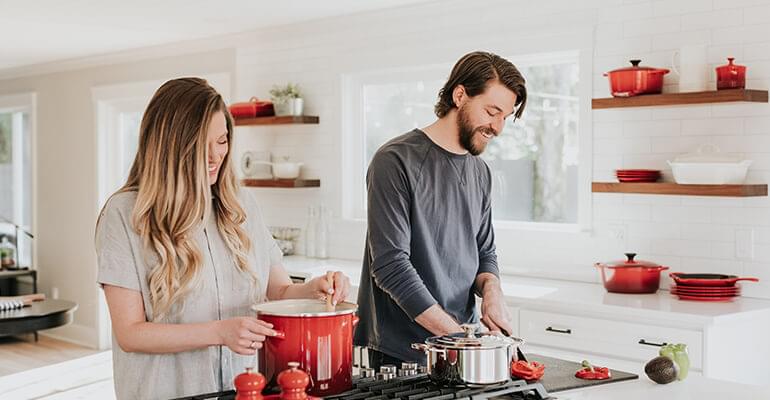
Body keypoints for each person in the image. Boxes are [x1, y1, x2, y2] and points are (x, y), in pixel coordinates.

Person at [95, 77, 351, 400]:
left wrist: (314, 290)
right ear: (170, 147)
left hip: (243, 390)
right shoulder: (124, 215)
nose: (216, 156)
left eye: (222, 141)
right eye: (203, 145)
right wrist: (218, 333)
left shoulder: (241, 206)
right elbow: (130, 333)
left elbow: (280, 291)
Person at [353, 51, 527, 369]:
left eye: (505, 116)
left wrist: (492, 291)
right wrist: (460, 340)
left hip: (464, 342)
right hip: (402, 353)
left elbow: (484, 252)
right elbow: (390, 267)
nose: (498, 127)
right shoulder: (394, 161)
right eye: (492, 111)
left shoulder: (481, 172)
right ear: (459, 95)